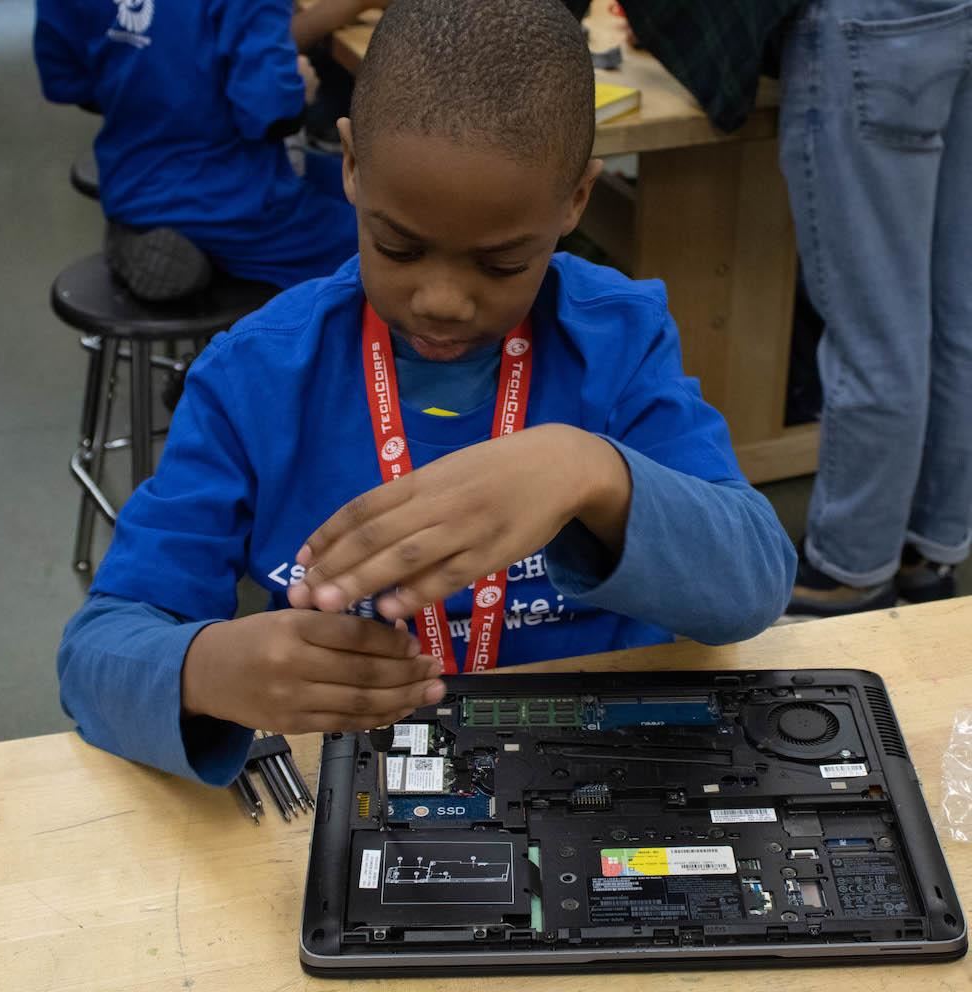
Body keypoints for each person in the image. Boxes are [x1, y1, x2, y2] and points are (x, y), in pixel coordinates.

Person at [57, 0, 796, 786]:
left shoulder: (616, 343)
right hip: (365, 783)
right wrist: (204, 668)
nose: (442, 299)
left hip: (592, 776)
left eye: (502, 263)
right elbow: (95, 655)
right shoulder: (256, 377)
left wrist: (592, 473)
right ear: (349, 165)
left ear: (577, 199)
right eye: (398, 246)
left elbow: (751, 586)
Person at [779, 0, 972, 616]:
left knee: (877, 321)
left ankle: (851, 567)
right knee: (957, 311)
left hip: (872, 22)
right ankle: (929, 548)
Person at [33, 0, 379, 294]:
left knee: (362, 186)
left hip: (132, 172)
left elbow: (66, 81)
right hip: (236, 199)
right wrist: (298, 85)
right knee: (394, 248)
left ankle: (148, 228)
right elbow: (269, 110)